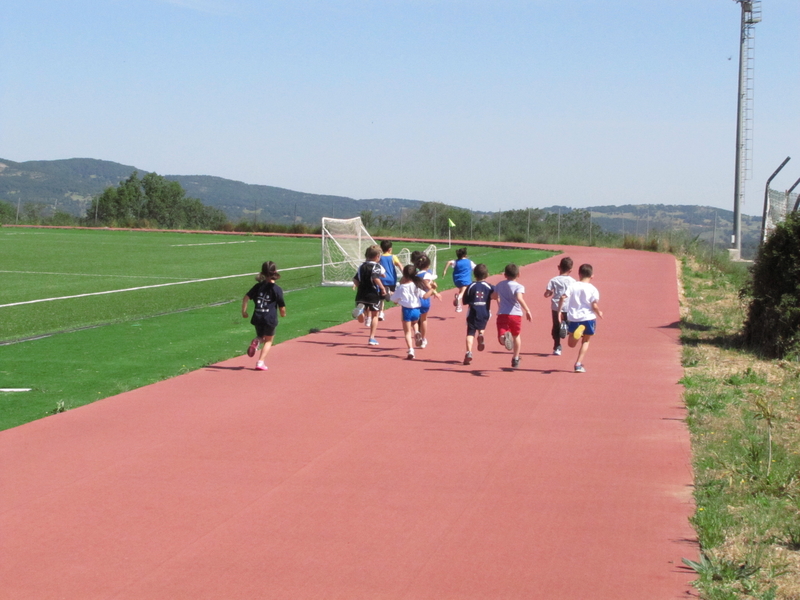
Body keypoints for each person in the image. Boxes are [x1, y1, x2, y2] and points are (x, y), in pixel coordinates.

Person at [242, 261, 286, 371]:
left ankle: (257, 340)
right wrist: (283, 314)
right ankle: (260, 362)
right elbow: (281, 306)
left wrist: (244, 311)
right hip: (269, 318)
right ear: (275, 272)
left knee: (261, 336)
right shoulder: (277, 289)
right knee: (268, 340)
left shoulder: (257, 286)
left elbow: (246, 297)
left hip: (257, 316)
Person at [390, 264, 440, 359]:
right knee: (415, 323)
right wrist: (432, 289)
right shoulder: (416, 286)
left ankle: (410, 350)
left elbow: (394, 300)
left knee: (407, 332)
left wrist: (394, 298)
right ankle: (417, 331)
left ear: (404, 275)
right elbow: (425, 296)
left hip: (406, 310)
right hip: (417, 310)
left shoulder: (401, 287)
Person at [492, 263, 532, 368]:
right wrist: (527, 310)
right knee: (516, 336)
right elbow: (519, 298)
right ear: (518, 274)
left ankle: (503, 338)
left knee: (501, 333)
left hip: (502, 313)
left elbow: (495, 296)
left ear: (505, 274)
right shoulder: (519, 287)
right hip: (516, 314)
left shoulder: (500, 284)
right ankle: (515, 358)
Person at [565, 263, 603, 373]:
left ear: (579, 274)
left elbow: (564, 296)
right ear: (592, 276)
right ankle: (578, 364)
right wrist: (599, 312)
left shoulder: (573, 286)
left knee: (571, 344)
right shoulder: (593, 289)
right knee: (586, 341)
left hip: (574, 318)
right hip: (589, 317)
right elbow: (594, 305)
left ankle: (577, 334)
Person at [353, 245, 388, 346]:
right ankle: (372, 338)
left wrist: (357, 285)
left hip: (361, 292)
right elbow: (375, 277)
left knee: (363, 311)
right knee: (375, 315)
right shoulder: (377, 266)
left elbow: (355, 279)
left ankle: (361, 313)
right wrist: (382, 288)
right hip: (373, 293)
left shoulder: (361, 266)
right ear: (378, 256)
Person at [462, 263, 494, 366]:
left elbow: (465, 301)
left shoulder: (471, 286)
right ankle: (481, 334)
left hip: (473, 311)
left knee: (470, 333)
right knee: (481, 326)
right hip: (484, 311)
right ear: (487, 275)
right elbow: (495, 293)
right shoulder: (489, 287)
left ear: (474, 274)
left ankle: (469, 352)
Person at [543, 256, 575, 356]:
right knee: (570, 324)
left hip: (556, 307)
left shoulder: (553, 280)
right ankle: (567, 327)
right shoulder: (573, 281)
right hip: (568, 307)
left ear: (558, 267)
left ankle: (557, 347)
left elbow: (547, 294)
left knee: (556, 326)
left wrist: (548, 294)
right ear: (571, 270)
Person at [414, 252, 438, 349]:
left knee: (415, 320)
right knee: (423, 320)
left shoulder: (414, 274)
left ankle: (416, 332)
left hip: (415, 300)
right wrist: (435, 291)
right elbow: (428, 284)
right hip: (424, 299)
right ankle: (423, 339)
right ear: (428, 265)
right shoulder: (427, 275)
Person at [442, 247, 475, 313]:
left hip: (457, 280)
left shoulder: (456, 262)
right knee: (464, 292)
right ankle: (459, 304)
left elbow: (448, 262)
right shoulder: (469, 262)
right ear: (466, 255)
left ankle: (458, 297)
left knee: (462, 290)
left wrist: (445, 270)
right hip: (466, 280)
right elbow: (476, 268)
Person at [378, 240, 404, 321]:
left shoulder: (379, 257)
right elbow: (399, 265)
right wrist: (405, 273)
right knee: (393, 294)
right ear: (390, 249)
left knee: (381, 298)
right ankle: (390, 293)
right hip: (391, 279)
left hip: (382, 279)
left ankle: (381, 313)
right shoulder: (393, 257)